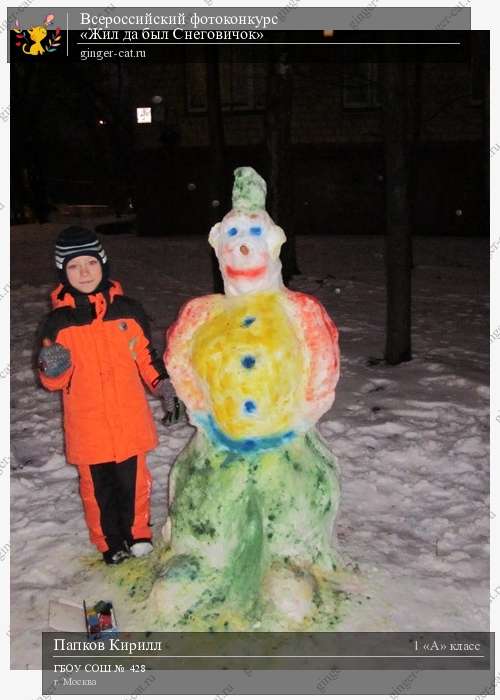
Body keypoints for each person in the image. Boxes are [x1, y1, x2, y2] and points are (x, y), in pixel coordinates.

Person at [37, 226, 175, 565]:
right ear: (63, 272)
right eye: (73, 267)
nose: (83, 273)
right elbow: (54, 382)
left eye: (90, 263)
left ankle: (138, 533)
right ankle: (110, 542)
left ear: (103, 264)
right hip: (88, 426)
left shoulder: (128, 312)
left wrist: (164, 385)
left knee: (135, 484)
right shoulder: (57, 324)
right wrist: (53, 369)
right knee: (98, 491)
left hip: (129, 420)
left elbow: (146, 357)